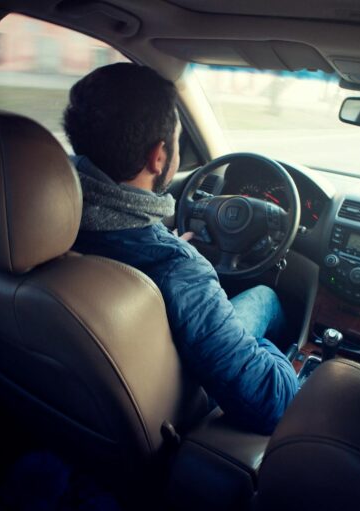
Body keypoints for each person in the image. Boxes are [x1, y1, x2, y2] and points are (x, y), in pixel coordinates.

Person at [63, 63, 299, 434]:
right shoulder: (178, 270)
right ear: (159, 156)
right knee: (267, 297)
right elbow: (272, 402)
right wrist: (274, 354)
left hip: (84, 401)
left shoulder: (50, 215)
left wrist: (173, 247)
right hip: (178, 403)